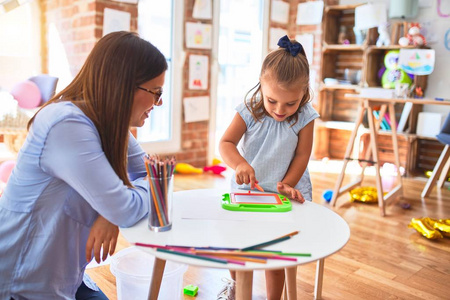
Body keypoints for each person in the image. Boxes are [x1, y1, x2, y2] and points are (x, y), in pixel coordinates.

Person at [0, 31, 167, 299]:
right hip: (23, 283)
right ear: (125, 85)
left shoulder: (111, 126)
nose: (159, 102)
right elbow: (132, 203)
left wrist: (110, 211)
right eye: (156, 92)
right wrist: (116, 207)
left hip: (66, 277)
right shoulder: (66, 124)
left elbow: (152, 177)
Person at [218, 35, 319, 300]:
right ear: (261, 85)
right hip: (247, 193)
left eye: (291, 103)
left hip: (284, 196)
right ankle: (237, 288)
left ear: (304, 92)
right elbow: (226, 143)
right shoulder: (248, 111)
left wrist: (287, 184)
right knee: (239, 252)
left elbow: (302, 155)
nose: (280, 109)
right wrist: (239, 163)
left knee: (276, 256)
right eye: (272, 100)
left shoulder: (306, 116)